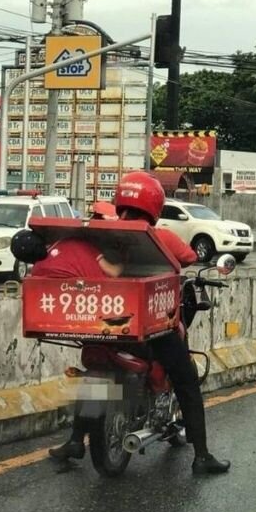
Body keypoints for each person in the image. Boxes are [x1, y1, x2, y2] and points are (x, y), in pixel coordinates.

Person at [48, 171, 230, 476]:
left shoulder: (101, 233)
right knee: (186, 381)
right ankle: (201, 456)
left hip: (105, 322)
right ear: (155, 205)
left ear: (120, 201)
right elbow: (187, 256)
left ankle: (76, 440)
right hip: (151, 328)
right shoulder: (160, 236)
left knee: (96, 379)